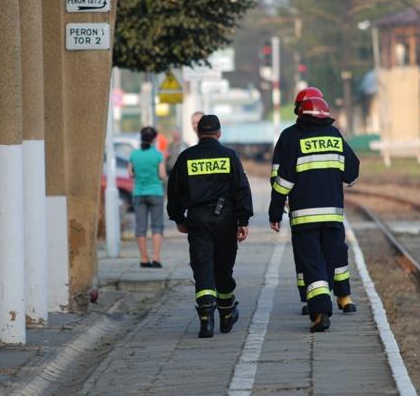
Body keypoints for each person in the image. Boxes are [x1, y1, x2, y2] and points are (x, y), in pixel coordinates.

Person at [268, 97, 360, 332]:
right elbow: (352, 171)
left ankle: (319, 311)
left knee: (311, 262)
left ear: (301, 114)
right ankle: (334, 298)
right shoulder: (335, 136)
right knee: (331, 259)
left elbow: (283, 182)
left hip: (304, 217)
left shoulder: (295, 139)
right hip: (333, 215)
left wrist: (275, 211)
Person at [167, 114, 253, 338]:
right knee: (223, 267)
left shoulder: (186, 157)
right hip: (225, 219)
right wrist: (243, 220)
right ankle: (226, 313)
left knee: (203, 266)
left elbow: (174, 191)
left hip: (197, 220)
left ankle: (206, 320)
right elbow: (241, 189)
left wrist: (178, 219)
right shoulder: (229, 156)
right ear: (219, 133)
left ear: (198, 132)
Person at [129, 127, 167, 268]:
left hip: (138, 193)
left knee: (141, 227)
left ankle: (144, 259)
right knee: (157, 226)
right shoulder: (158, 155)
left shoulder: (134, 154)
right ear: (154, 139)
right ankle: (156, 258)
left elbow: (130, 174)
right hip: (155, 192)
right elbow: (162, 175)